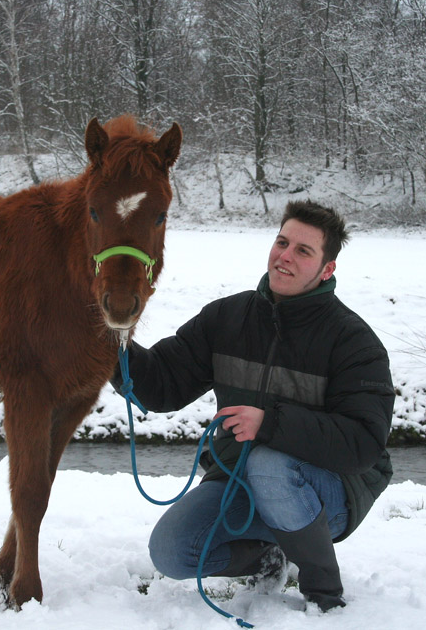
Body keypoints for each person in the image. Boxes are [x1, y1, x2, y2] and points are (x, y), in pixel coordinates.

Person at [114, 200, 394, 612]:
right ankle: (269, 558)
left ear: (326, 269)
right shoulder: (228, 317)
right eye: (282, 242)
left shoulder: (353, 341)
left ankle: (323, 592)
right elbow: (162, 383)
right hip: (240, 478)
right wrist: (107, 344)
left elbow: (363, 445)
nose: (285, 256)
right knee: (171, 551)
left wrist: (269, 423)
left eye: (303, 251)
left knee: (270, 464)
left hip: (331, 494)